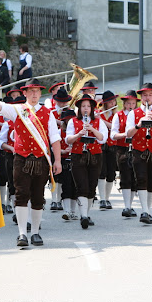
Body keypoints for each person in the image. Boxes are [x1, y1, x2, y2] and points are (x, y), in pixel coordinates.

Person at [0, 79, 62, 247]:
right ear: (25, 93)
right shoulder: (17, 110)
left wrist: (57, 160)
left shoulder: (47, 113)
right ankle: (22, 233)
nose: (34, 94)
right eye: (31, 91)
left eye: (37, 91)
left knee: (38, 197)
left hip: (41, 160)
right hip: (21, 159)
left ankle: (35, 232)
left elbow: (55, 138)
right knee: (21, 195)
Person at [125, 83, 152, 224]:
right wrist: (139, 124)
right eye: (145, 95)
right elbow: (128, 133)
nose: (147, 97)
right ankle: (144, 210)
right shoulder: (133, 113)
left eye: (150, 95)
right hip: (139, 150)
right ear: (141, 97)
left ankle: (147, 211)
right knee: (141, 179)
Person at [65, 94, 108, 229]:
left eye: (88, 106)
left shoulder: (98, 121)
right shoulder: (73, 121)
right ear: (79, 108)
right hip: (78, 156)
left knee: (91, 186)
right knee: (82, 186)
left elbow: (103, 138)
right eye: (83, 106)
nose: (86, 109)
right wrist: (79, 134)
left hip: (95, 156)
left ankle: (86, 214)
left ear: (92, 108)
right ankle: (83, 216)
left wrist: (91, 129)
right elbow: (68, 140)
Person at [111, 90, 139, 217]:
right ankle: (126, 206)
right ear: (124, 104)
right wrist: (125, 134)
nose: (131, 106)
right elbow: (113, 134)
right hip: (122, 149)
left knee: (135, 178)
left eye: (133, 103)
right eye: (128, 103)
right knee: (125, 176)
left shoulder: (140, 116)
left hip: (137, 149)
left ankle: (130, 206)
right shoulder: (119, 115)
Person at [49, 88, 72, 211]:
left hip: (64, 140)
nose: (62, 104)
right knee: (54, 175)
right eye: (60, 102)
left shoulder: (70, 111)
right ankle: (54, 200)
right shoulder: (51, 112)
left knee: (64, 176)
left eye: (64, 102)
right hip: (52, 142)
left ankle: (61, 200)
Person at [97, 90, 119, 210]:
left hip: (113, 146)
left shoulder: (116, 115)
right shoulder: (98, 113)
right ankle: (102, 199)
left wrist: (103, 121)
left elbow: (116, 127)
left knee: (111, 173)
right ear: (104, 103)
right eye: (109, 101)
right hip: (101, 146)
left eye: (113, 101)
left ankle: (107, 198)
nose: (112, 103)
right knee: (102, 172)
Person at [58, 109, 79, 221]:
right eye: (67, 120)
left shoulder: (79, 130)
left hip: (76, 160)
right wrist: (63, 151)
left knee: (75, 186)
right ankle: (66, 211)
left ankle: (73, 211)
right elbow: (53, 147)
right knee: (66, 186)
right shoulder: (59, 132)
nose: (70, 121)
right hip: (64, 160)